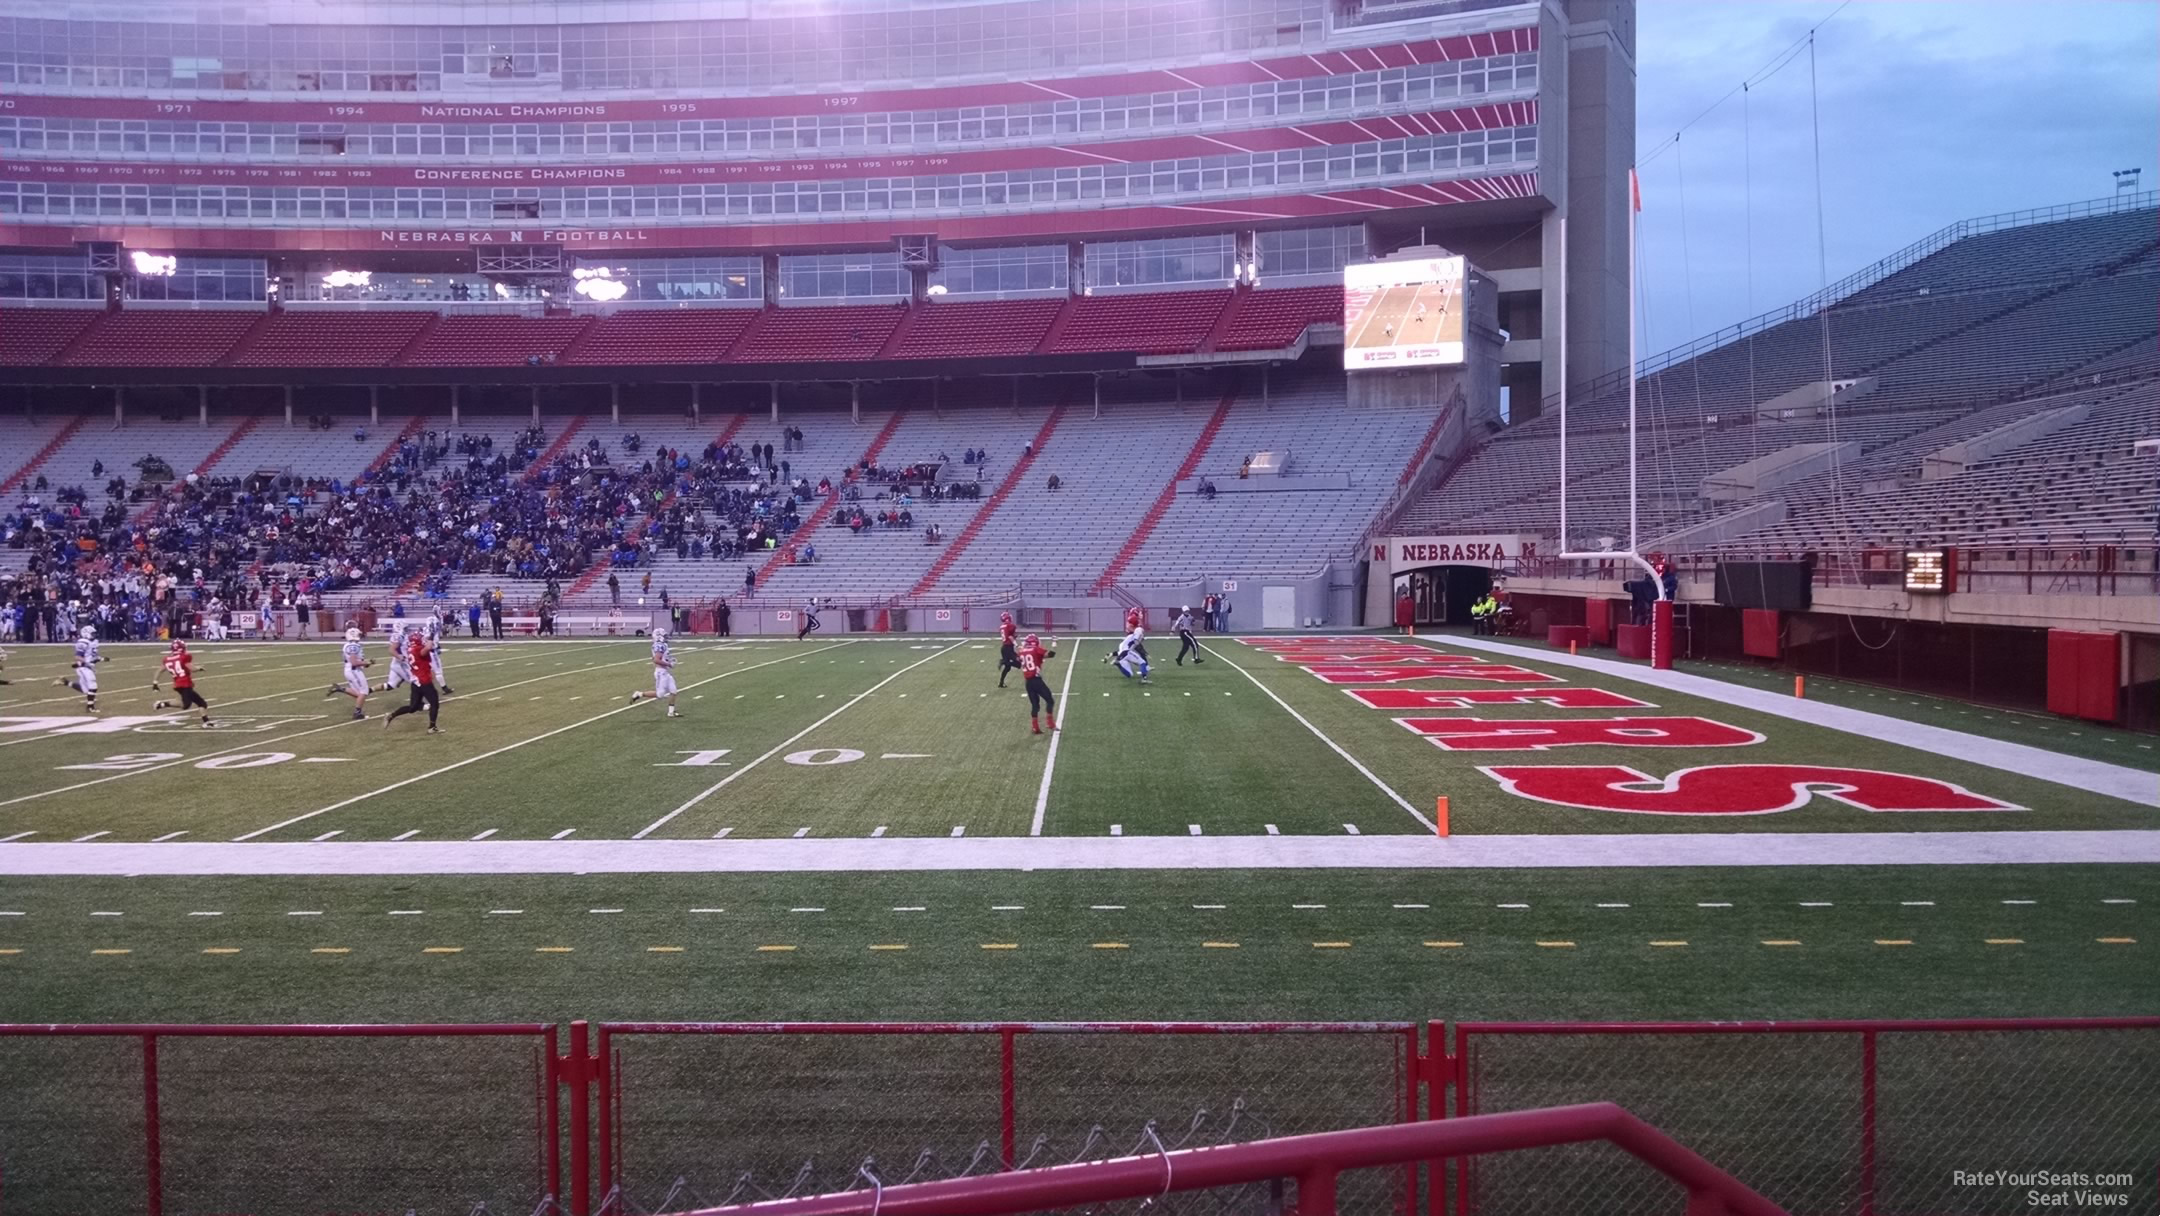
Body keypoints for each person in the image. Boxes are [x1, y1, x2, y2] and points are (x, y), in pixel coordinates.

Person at [383, 628, 441, 734]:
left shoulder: (410, 650)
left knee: (413, 707)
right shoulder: (418, 649)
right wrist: (432, 636)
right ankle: (432, 727)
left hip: (415, 681)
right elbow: (427, 648)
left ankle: (391, 715)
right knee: (434, 703)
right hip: (423, 681)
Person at [153, 638, 214, 727]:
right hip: (185, 684)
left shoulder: (167, 659)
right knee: (186, 705)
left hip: (178, 684)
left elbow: (159, 670)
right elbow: (191, 668)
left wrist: (155, 683)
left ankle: (206, 722)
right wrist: (199, 668)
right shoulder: (184, 657)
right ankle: (161, 704)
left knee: (201, 703)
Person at [629, 626, 682, 717]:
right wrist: (669, 664)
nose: (666, 637)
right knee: (660, 694)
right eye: (664, 636)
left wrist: (668, 661)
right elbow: (656, 660)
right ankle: (639, 694)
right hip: (661, 672)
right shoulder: (659, 645)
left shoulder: (661, 645)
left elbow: (658, 658)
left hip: (665, 672)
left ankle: (671, 712)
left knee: (673, 691)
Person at [327, 625, 371, 720]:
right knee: (364, 692)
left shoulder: (349, 645)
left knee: (359, 694)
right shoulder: (353, 646)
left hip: (350, 669)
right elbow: (354, 662)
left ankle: (340, 689)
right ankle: (357, 713)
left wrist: (364, 663)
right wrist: (365, 662)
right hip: (354, 670)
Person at [1018, 633, 1058, 735]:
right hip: (1036, 681)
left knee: (1035, 705)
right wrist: (1054, 642)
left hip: (1028, 682)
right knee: (1050, 700)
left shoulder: (1021, 651)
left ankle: (1035, 727)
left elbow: (1020, 659)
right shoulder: (1035, 649)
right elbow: (1051, 654)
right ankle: (1050, 723)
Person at [64, 624, 103, 713]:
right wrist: (87, 664)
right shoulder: (83, 642)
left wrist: (100, 659)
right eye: (92, 633)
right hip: (84, 667)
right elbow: (78, 657)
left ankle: (66, 682)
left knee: (86, 690)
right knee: (93, 686)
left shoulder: (93, 642)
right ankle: (90, 707)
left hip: (86, 667)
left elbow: (92, 657)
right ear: (86, 634)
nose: (94, 635)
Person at [382, 620, 414, 693]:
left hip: (399, 663)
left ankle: (369, 690)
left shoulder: (402, 635)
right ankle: (419, 702)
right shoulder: (398, 636)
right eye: (405, 628)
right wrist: (400, 657)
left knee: (390, 685)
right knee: (415, 681)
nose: (407, 629)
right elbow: (391, 650)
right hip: (401, 664)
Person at [996, 611, 1020, 688]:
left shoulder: (1001, 626)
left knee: (1007, 667)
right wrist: (1016, 644)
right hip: (1008, 648)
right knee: (1019, 663)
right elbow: (1010, 637)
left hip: (1004, 648)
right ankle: (1003, 661)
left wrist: (1014, 637)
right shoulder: (1010, 625)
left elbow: (1007, 636)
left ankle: (1001, 683)